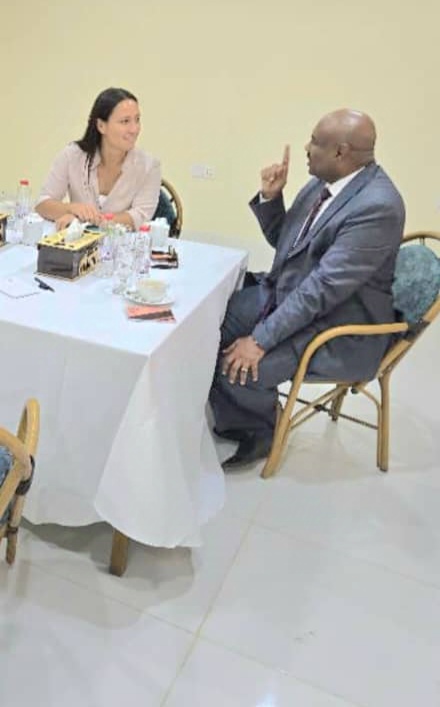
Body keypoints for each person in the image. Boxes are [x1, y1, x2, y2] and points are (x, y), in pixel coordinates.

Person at [209, 108, 405, 469]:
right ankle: (237, 411)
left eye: (315, 142)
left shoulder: (377, 206)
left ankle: (260, 430)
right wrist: (271, 199)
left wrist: (259, 340)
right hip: (288, 296)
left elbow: (321, 291)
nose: (306, 147)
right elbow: (290, 248)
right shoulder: (323, 183)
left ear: (341, 152)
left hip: (336, 326)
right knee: (206, 329)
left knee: (235, 366)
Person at [35, 87, 161, 231]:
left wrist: (84, 221)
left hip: (119, 243)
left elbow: (139, 217)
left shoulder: (149, 166)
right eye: (125, 121)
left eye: (137, 120)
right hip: (77, 242)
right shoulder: (72, 156)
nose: (134, 129)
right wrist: (70, 208)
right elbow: (42, 204)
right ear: (101, 126)